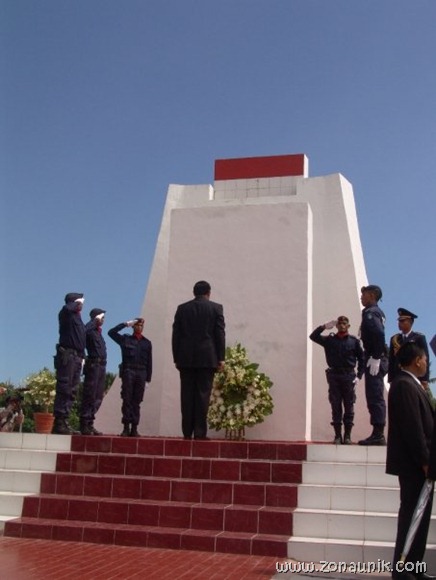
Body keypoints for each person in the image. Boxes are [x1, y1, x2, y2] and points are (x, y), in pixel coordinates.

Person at [386, 342, 434, 579]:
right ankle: (403, 571)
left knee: (420, 519)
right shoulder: (404, 385)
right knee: (411, 518)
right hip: (415, 466)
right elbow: (413, 428)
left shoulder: (412, 385)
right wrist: (425, 461)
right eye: (425, 358)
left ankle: (414, 567)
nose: (427, 363)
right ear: (417, 360)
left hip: (420, 465)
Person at [172, 280, 226, 440]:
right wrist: (221, 358)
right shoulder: (216, 308)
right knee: (203, 395)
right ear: (208, 293)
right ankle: (200, 432)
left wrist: (176, 357)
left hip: (185, 358)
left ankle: (187, 432)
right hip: (207, 357)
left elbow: (176, 335)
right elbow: (219, 334)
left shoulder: (182, 309)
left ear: (194, 292)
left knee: (186, 395)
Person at [309, 315, 364, 444]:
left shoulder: (354, 341)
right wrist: (323, 327)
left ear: (348, 326)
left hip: (349, 375)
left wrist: (359, 376)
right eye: (339, 323)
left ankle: (348, 436)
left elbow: (362, 359)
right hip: (334, 376)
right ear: (337, 325)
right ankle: (338, 435)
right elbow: (313, 337)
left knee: (349, 405)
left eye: (344, 323)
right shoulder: (330, 340)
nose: (342, 325)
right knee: (335, 405)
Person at [108, 317, 152, 437]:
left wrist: (148, 379)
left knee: (137, 401)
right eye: (137, 325)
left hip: (141, 373)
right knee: (127, 399)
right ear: (133, 327)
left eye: (141, 326)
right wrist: (126, 324)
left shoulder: (147, 343)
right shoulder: (126, 339)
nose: (139, 328)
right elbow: (111, 333)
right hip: (129, 371)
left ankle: (134, 428)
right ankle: (126, 427)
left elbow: (149, 362)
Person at [358, 284, 389, 446]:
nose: (361, 297)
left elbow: (378, 333)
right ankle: (377, 432)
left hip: (375, 358)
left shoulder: (371, 313)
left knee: (375, 395)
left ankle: (378, 434)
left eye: (364, 295)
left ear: (371, 295)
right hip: (374, 357)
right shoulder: (376, 312)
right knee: (374, 395)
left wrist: (376, 357)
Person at [52, 292, 86, 435]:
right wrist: (76, 303)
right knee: (64, 388)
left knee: (72, 390)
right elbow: (66, 308)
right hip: (68, 356)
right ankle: (59, 422)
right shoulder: (66, 314)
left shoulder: (78, 319)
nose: (82, 305)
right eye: (80, 302)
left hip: (77, 357)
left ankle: (64, 421)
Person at [79, 308, 107, 435]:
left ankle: (90, 423)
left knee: (98, 396)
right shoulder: (90, 330)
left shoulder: (98, 333)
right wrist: (93, 321)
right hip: (93, 365)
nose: (103, 320)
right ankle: (84, 423)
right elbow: (82, 333)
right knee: (90, 394)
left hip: (101, 366)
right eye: (102, 317)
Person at [388, 308, 431, 389]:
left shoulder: (419, 338)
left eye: (402, 321)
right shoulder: (395, 339)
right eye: (399, 321)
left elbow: (426, 358)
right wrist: (391, 379)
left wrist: (424, 379)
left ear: (410, 322)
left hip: (415, 377)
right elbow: (391, 360)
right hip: (398, 376)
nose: (399, 323)